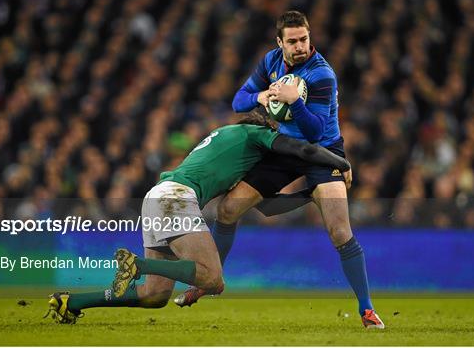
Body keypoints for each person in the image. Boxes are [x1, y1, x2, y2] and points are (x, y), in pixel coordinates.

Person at [175, 11, 384, 329]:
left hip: (323, 153)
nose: (300, 46)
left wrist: (294, 101)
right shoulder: (270, 61)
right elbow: (238, 101)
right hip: (282, 149)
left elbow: (314, 132)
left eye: (304, 39)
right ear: (280, 42)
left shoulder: (322, 75)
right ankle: (209, 279)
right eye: (293, 41)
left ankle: (367, 309)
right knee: (228, 209)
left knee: (340, 232)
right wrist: (261, 95)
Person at [45, 113, 351, 324]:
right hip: (176, 199)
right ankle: (138, 265)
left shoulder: (228, 141)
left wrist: (308, 194)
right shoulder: (257, 134)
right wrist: (341, 162)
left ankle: (71, 303)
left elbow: (265, 207)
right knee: (212, 279)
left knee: (154, 295)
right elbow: (300, 148)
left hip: (158, 197)